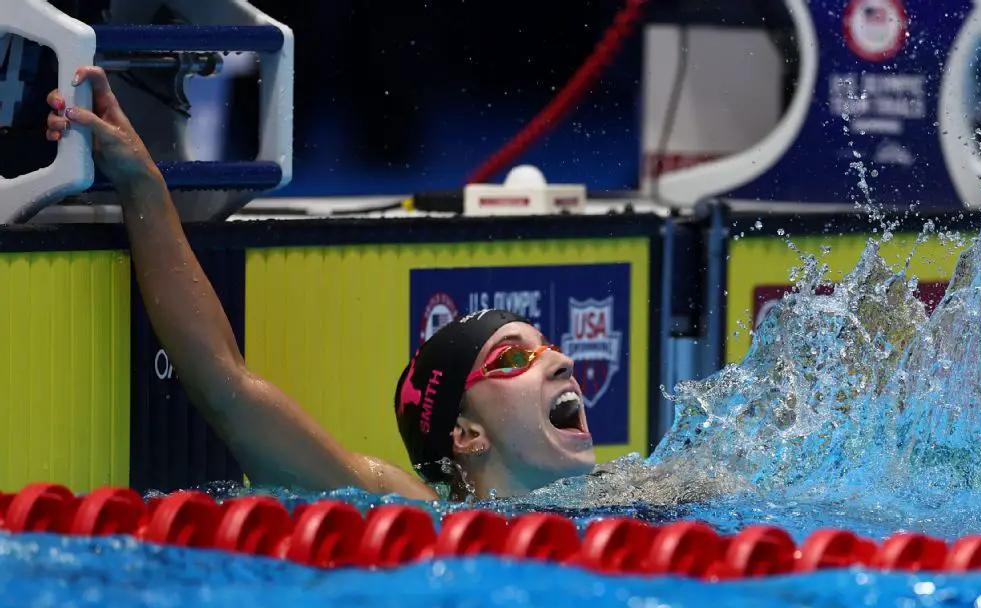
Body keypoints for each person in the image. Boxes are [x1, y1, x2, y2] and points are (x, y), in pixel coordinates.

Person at [44, 66, 596, 501]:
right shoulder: (409, 516)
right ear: (465, 435)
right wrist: (142, 181)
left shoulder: (630, 498)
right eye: (510, 358)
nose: (562, 361)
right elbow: (224, 384)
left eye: (546, 346)